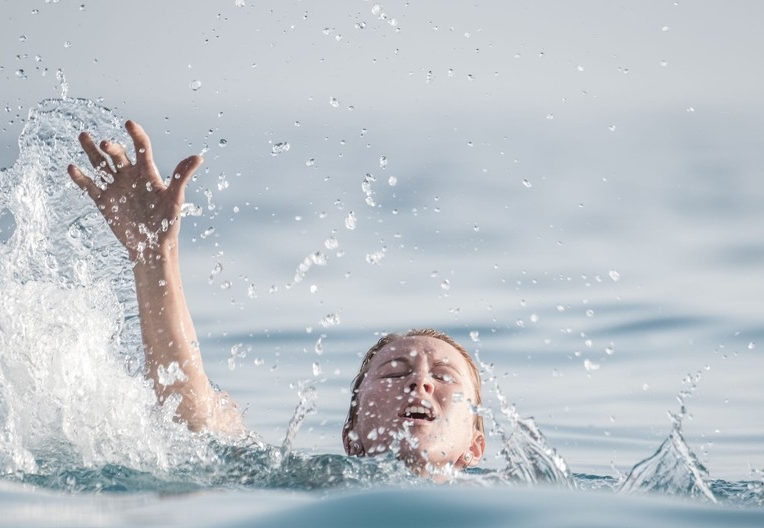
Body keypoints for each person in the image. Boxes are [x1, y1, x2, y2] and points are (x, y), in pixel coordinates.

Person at [68, 120, 486, 476]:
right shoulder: (313, 483)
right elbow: (195, 425)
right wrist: (154, 256)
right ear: (353, 436)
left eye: (445, 377)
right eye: (394, 373)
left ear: (475, 446)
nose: (421, 381)